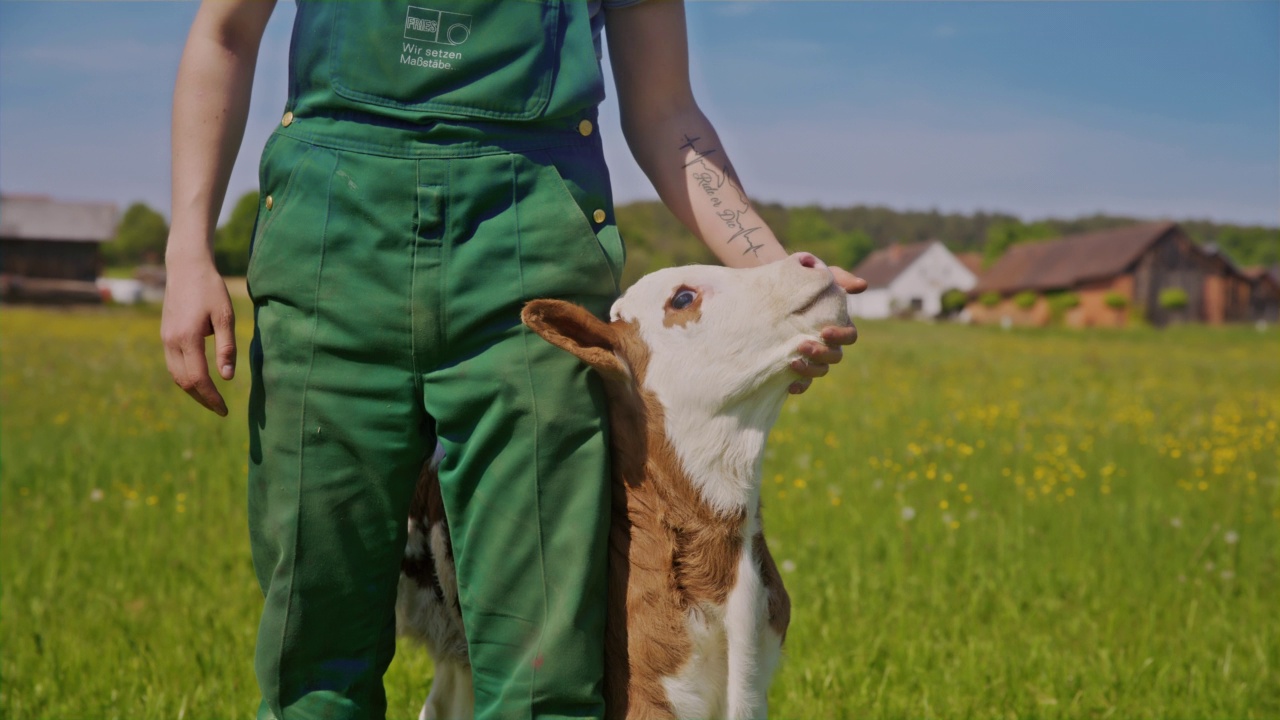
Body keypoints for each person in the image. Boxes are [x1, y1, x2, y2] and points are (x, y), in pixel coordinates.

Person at [161, 2, 865, 719]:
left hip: (528, 260)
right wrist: (188, 248)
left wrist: (785, 288)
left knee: (542, 663)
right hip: (329, 256)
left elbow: (666, 111)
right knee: (315, 645)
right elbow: (225, 33)